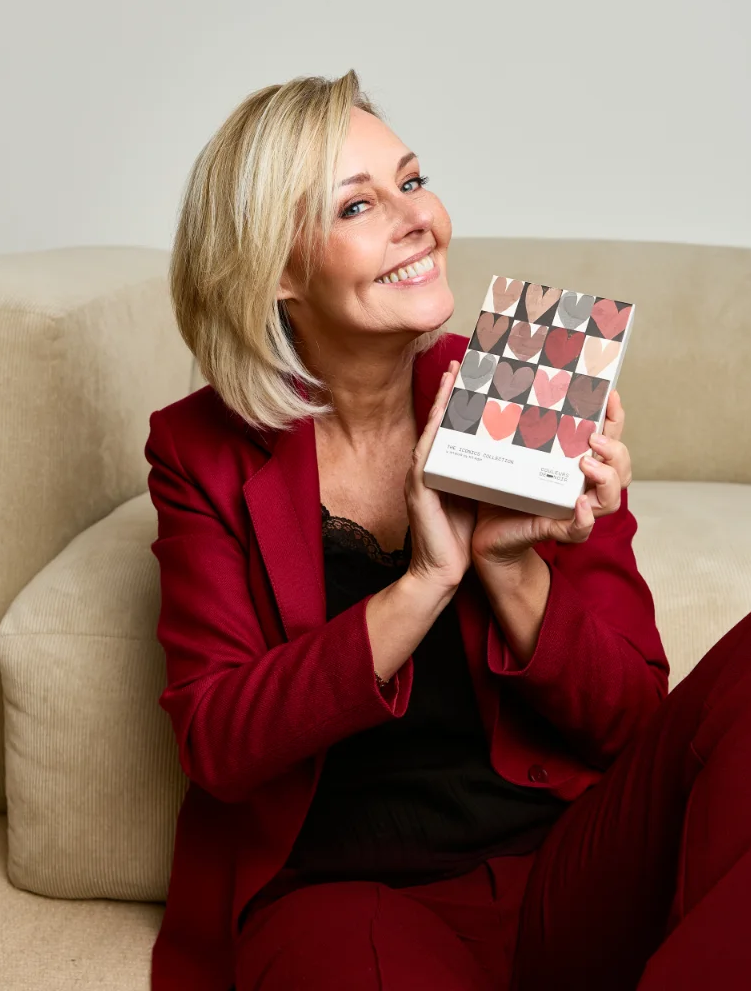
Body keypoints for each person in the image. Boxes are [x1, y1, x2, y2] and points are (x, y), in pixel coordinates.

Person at [144, 70, 751, 992]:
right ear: (274, 268)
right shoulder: (202, 449)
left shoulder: (522, 378)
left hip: (565, 875)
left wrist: (510, 571)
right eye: (356, 205)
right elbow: (220, 742)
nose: (415, 217)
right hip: (350, 900)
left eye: (413, 181)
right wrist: (425, 580)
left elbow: (630, 717)